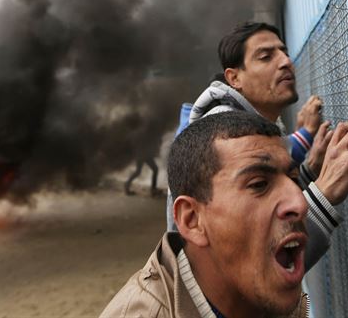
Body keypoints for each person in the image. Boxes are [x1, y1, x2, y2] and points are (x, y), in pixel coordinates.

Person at [169, 21, 348, 270]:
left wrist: (310, 170)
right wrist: (324, 193)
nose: (286, 61)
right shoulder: (225, 134)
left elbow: (266, 203)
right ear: (234, 78)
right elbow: (252, 259)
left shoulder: (252, 123)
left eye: (284, 52)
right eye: (266, 57)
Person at [100, 111, 313, 317]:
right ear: (192, 220)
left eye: (293, 179)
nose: (299, 202)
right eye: (259, 184)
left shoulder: (259, 289)